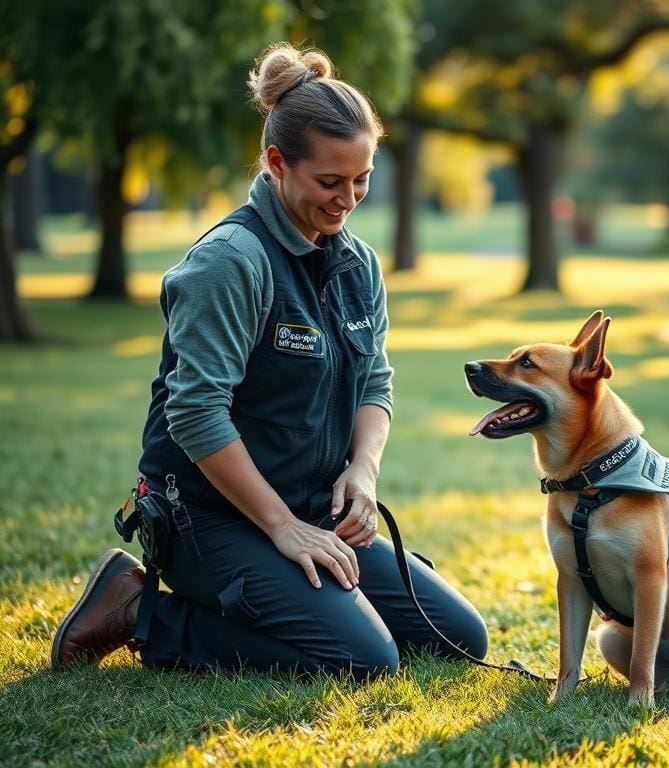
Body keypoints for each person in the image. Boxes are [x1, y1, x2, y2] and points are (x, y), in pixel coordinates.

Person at [51, 43, 488, 678]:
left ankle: (312, 595)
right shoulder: (231, 262)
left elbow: (375, 381)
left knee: (459, 639)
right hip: (209, 518)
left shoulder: (358, 263)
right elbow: (196, 414)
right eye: (330, 182)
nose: (348, 200)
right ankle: (139, 609)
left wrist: (362, 475)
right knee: (362, 660)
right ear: (277, 163)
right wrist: (282, 526)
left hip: (312, 508)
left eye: (362, 180)